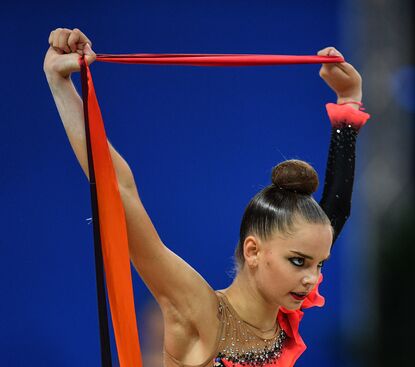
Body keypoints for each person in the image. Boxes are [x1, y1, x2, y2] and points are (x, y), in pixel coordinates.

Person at [44, 28, 369, 367]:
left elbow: (334, 214)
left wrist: (348, 104)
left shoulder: (282, 315)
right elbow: (119, 190)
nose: (312, 279)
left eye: (320, 265)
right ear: (253, 251)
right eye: (300, 262)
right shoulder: (200, 313)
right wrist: (60, 83)